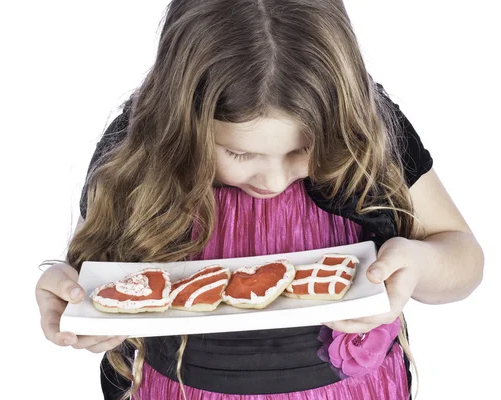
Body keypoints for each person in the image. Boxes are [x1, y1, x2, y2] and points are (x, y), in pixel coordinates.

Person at [35, 1, 484, 399]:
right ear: (181, 122)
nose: (273, 178)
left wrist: (418, 265)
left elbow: (464, 260)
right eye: (240, 153)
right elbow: (92, 277)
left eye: (302, 149)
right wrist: (71, 296)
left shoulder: (371, 131)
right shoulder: (137, 148)